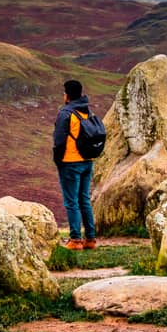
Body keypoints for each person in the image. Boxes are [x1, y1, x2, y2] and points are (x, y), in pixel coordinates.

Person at [53, 79, 97, 250]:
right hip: (87, 161)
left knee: (71, 201)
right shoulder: (86, 110)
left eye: (64, 92)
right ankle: (90, 239)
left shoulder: (66, 113)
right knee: (84, 199)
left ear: (68, 95)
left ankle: (75, 240)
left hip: (70, 162)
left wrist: (58, 160)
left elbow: (59, 141)